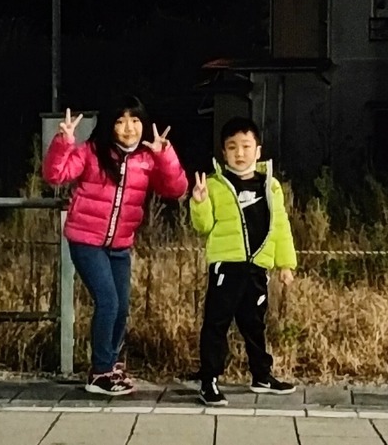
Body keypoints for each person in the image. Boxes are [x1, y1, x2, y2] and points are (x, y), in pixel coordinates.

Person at [43, 95, 188, 397]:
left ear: (143, 124)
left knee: (121, 305)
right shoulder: (92, 152)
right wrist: (64, 142)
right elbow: (55, 175)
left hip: (120, 244)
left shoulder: (148, 159)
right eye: (120, 121)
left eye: (134, 120)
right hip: (86, 239)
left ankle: (111, 363)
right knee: (108, 301)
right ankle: (99, 372)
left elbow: (176, 189)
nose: (128, 128)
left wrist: (165, 155)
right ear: (110, 125)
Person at [190, 116, 297, 407]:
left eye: (246, 146)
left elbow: (281, 225)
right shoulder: (214, 185)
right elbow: (203, 227)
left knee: (254, 323)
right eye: (232, 147)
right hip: (226, 265)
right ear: (223, 153)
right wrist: (199, 202)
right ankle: (209, 380)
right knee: (216, 323)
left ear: (258, 150)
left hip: (257, 266)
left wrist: (285, 263)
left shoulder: (270, 185)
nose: (240, 153)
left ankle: (261, 375)